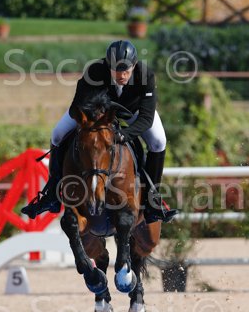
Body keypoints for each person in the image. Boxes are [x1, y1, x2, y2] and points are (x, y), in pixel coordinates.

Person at [22, 40, 177, 223]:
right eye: (117, 70)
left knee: (158, 141)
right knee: (57, 134)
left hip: (133, 112)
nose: (122, 75)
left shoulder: (146, 75)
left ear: (134, 65)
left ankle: (153, 200)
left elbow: (146, 118)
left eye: (126, 70)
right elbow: (76, 107)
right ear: (108, 65)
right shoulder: (95, 71)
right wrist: (94, 118)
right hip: (100, 114)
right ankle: (51, 195)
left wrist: (125, 135)